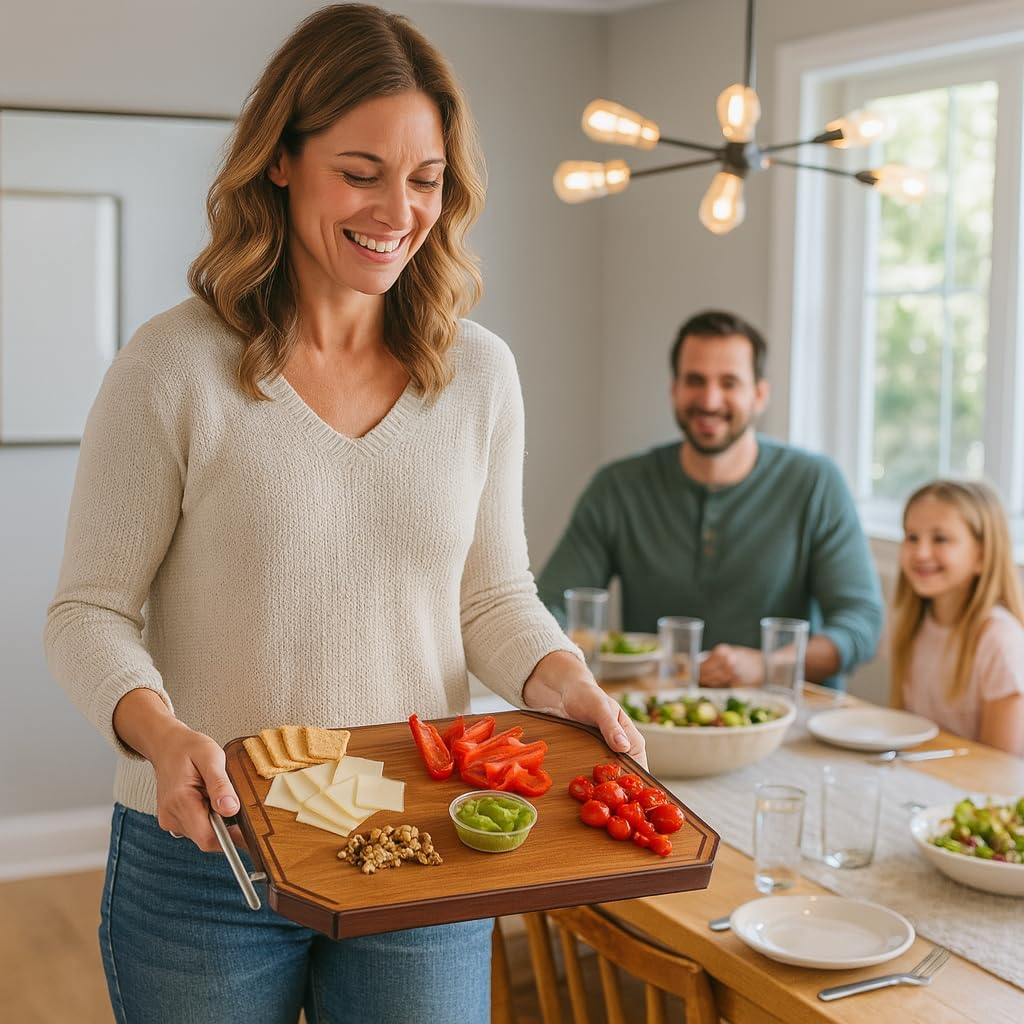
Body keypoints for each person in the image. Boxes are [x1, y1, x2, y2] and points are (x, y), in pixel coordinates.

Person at [43, 7, 642, 1022]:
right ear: (280, 160)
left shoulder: (480, 374)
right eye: (361, 172)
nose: (397, 211)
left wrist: (565, 679)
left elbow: (491, 595)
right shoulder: (172, 366)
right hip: (210, 855)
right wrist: (162, 735)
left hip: (420, 843)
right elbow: (87, 614)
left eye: (426, 179)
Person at [537, 309, 883, 688]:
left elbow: (861, 622)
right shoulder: (617, 487)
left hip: (783, 712)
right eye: (695, 381)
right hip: (652, 710)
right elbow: (550, 607)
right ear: (674, 389)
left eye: (729, 383)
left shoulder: (816, 483)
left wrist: (768, 665)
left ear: (760, 394)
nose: (710, 400)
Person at [891, 480, 1024, 754]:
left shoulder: (999, 640)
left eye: (940, 539)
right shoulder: (913, 625)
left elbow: (1001, 766)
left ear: (982, 555)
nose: (921, 553)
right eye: (912, 537)